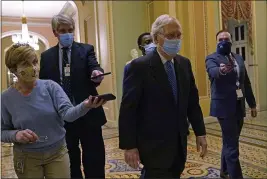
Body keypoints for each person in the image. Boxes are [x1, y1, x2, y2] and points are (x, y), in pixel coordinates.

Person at [119, 14, 208, 178]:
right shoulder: (139, 67)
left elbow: (192, 103)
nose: (176, 40)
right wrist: (129, 146)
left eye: (178, 35)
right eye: (170, 36)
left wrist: (200, 133)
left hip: (179, 144)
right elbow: (128, 109)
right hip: (152, 146)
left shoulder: (184, 64)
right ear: (156, 38)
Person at [1, 43, 106, 178]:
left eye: (35, 62)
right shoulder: (6, 98)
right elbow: (2, 131)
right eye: (26, 64)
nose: (33, 68)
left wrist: (86, 105)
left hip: (57, 153)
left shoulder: (51, 87)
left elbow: (68, 115)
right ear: (13, 69)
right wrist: (16, 135)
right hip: (27, 158)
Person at [39, 14, 106, 178]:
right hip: (62, 118)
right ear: (55, 32)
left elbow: (94, 66)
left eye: (70, 30)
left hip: (88, 112)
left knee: (94, 158)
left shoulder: (86, 49)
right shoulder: (46, 57)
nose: (67, 34)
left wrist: (97, 73)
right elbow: (43, 85)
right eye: (63, 31)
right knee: (69, 161)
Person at [205, 30, 257, 179]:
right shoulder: (212, 58)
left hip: (239, 105)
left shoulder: (238, 58)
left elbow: (245, 82)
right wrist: (221, 70)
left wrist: (252, 104)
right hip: (223, 107)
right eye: (220, 39)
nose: (223, 41)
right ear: (216, 41)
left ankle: (224, 170)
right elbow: (213, 72)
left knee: (231, 140)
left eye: (226, 39)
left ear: (231, 41)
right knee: (232, 145)